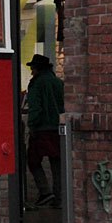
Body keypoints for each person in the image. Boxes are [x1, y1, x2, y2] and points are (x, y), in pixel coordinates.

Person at [25, 54, 65, 207]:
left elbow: (35, 108)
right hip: (58, 128)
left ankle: (45, 191)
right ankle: (60, 198)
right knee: (57, 165)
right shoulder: (58, 83)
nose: (31, 72)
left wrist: (32, 125)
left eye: (32, 68)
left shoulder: (36, 84)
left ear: (37, 69)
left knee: (33, 161)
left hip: (41, 129)